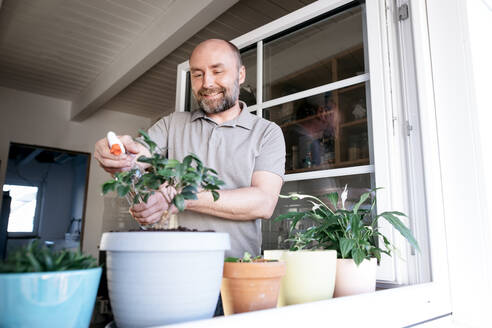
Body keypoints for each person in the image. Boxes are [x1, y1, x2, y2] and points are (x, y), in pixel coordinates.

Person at [94, 39, 286, 259]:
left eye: (217, 71)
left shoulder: (267, 133)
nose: (207, 83)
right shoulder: (172, 124)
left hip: (238, 273)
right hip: (173, 266)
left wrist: (180, 197)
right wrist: (114, 151)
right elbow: (136, 156)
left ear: (240, 74)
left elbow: (263, 202)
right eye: (197, 74)